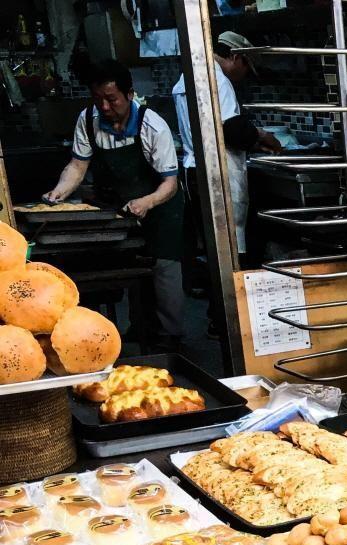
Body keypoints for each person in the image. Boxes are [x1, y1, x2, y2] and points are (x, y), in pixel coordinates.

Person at [44, 59, 185, 349]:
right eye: (98, 99)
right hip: (122, 206)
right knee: (130, 260)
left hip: (161, 204)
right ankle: (139, 326)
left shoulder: (152, 125)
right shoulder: (88, 120)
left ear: (129, 94)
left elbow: (170, 183)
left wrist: (147, 201)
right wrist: (59, 192)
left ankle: (170, 334)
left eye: (111, 99)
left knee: (163, 266)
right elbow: (77, 166)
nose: (105, 107)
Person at [173, 30, 280, 256]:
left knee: (211, 244)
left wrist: (252, 143)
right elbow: (232, 129)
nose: (244, 75)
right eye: (246, 67)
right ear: (235, 57)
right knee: (228, 247)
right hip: (219, 175)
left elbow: (212, 128)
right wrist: (261, 135)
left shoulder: (189, 76)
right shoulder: (218, 81)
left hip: (194, 171)